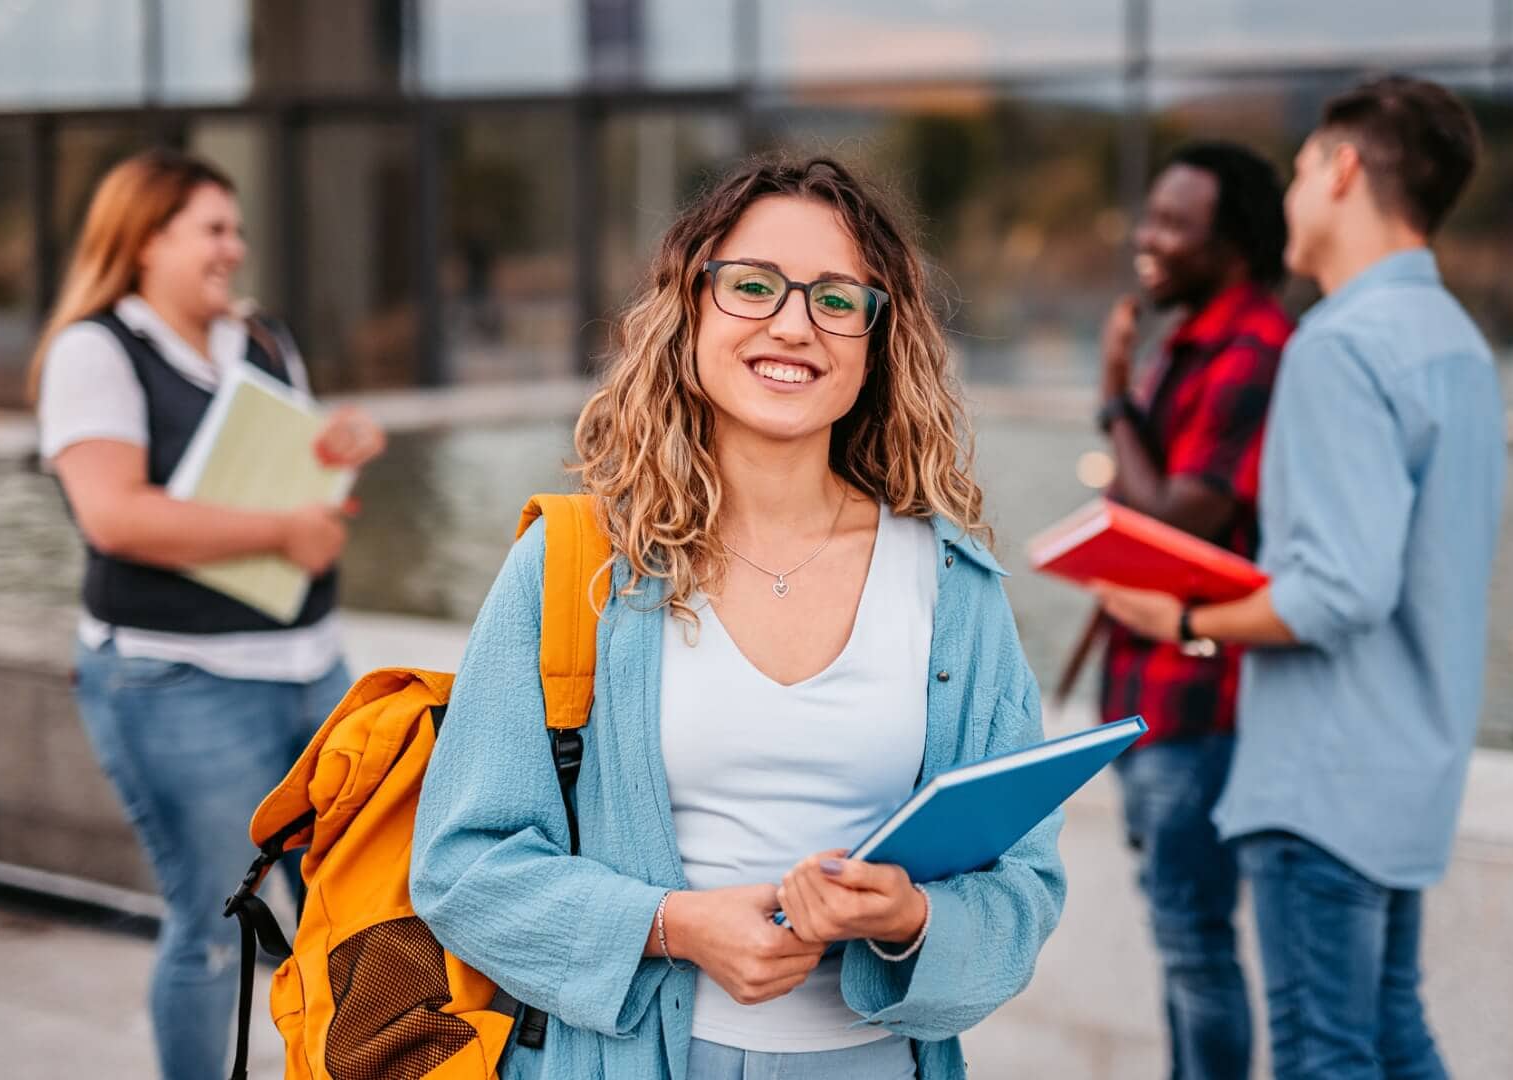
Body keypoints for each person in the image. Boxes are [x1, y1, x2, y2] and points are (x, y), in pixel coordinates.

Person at [410, 157, 1066, 1080]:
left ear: (879, 339)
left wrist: (913, 919)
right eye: (753, 286)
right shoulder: (579, 565)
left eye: (837, 299)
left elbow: (1024, 888)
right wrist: (673, 927)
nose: (794, 324)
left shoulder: (954, 589)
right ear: (691, 310)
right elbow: (461, 868)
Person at [1090, 76, 1503, 1079]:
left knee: (1325, 1054)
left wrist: (1182, 617)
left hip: (1319, 783)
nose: (1289, 195)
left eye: (1303, 167)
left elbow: (1337, 591)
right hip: (1410, 774)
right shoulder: (1458, 344)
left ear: (1343, 169)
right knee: (1391, 1032)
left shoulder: (1338, 347)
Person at [30, 149, 386, 1080]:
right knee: (216, 929)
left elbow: (296, 478)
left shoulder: (262, 340)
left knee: (362, 916)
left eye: (236, 227)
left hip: (312, 669)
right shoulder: (95, 350)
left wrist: (336, 452)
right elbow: (114, 516)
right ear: (143, 240)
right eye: (213, 229)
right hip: (176, 682)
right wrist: (281, 529)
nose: (237, 246)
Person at [1093, 141, 1291, 1080]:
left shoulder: (1251, 349)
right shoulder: (1196, 340)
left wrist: (1114, 405)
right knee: (1180, 938)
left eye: (1177, 224)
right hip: (1157, 691)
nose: (1149, 238)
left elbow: (1174, 524)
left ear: (1236, 245)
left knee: (1194, 943)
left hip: (1200, 698)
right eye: (1151, 215)